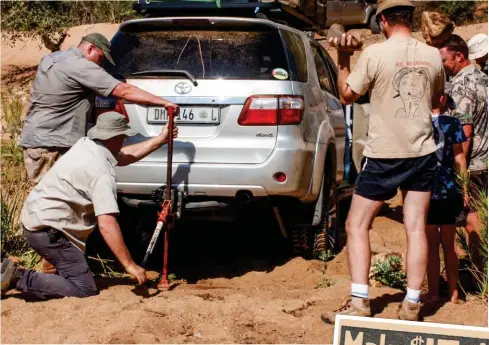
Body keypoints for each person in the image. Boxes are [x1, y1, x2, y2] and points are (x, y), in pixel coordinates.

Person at [322, 0, 445, 323]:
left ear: (383, 21)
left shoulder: (375, 54)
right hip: (422, 151)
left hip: (384, 153)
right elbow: (435, 100)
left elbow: (347, 95)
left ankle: (361, 300)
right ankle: (412, 303)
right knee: (416, 225)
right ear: (410, 19)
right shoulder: (432, 55)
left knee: (357, 223)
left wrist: (344, 57)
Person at [20, 32, 178, 274]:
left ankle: (64, 267)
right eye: (101, 59)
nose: (101, 66)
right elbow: (122, 91)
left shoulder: (52, 59)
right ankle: (50, 272)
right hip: (53, 146)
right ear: (91, 49)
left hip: (41, 143)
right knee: (56, 211)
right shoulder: (80, 66)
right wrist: (163, 103)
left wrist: (159, 139)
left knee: (58, 204)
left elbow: (120, 156)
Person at [1, 112, 178, 299]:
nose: (125, 140)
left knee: (74, 273)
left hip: (37, 219)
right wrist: (129, 265)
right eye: (123, 136)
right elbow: (107, 224)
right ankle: (17, 277)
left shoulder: (87, 145)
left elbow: (124, 156)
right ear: (114, 137)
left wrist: (161, 139)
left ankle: (17, 274)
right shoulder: (101, 173)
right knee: (83, 288)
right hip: (48, 232)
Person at [439, 35, 488, 283]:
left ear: (459, 56)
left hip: (474, 163)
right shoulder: (484, 78)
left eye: (445, 60)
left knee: (471, 220)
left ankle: (479, 276)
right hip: (486, 159)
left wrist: (461, 175)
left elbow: (464, 132)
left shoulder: (461, 86)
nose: (443, 66)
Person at [424, 91, 468, 305]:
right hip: (449, 189)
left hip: (424, 191)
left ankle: (433, 292)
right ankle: (453, 293)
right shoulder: (453, 123)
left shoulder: (417, 122)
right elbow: (460, 156)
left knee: (431, 245)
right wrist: (465, 187)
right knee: (449, 244)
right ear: (442, 99)